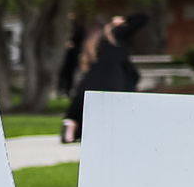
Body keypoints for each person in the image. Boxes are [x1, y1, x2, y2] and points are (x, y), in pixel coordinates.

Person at [60, 11, 144, 145]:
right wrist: (125, 19)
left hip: (95, 76)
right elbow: (143, 18)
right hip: (115, 77)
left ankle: (72, 125)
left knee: (86, 102)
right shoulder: (117, 35)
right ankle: (112, 132)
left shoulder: (96, 41)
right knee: (117, 104)